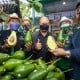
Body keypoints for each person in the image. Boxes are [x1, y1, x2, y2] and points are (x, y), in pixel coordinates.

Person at [52, 2, 80, 80]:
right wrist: (63, 48)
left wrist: (65, 52)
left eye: (66, 22)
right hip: (69, 67)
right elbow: (73, 47)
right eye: (63, 23)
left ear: (70, 24)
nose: (65, 24)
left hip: (71, 66)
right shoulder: (76, 32)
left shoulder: (72, 33)